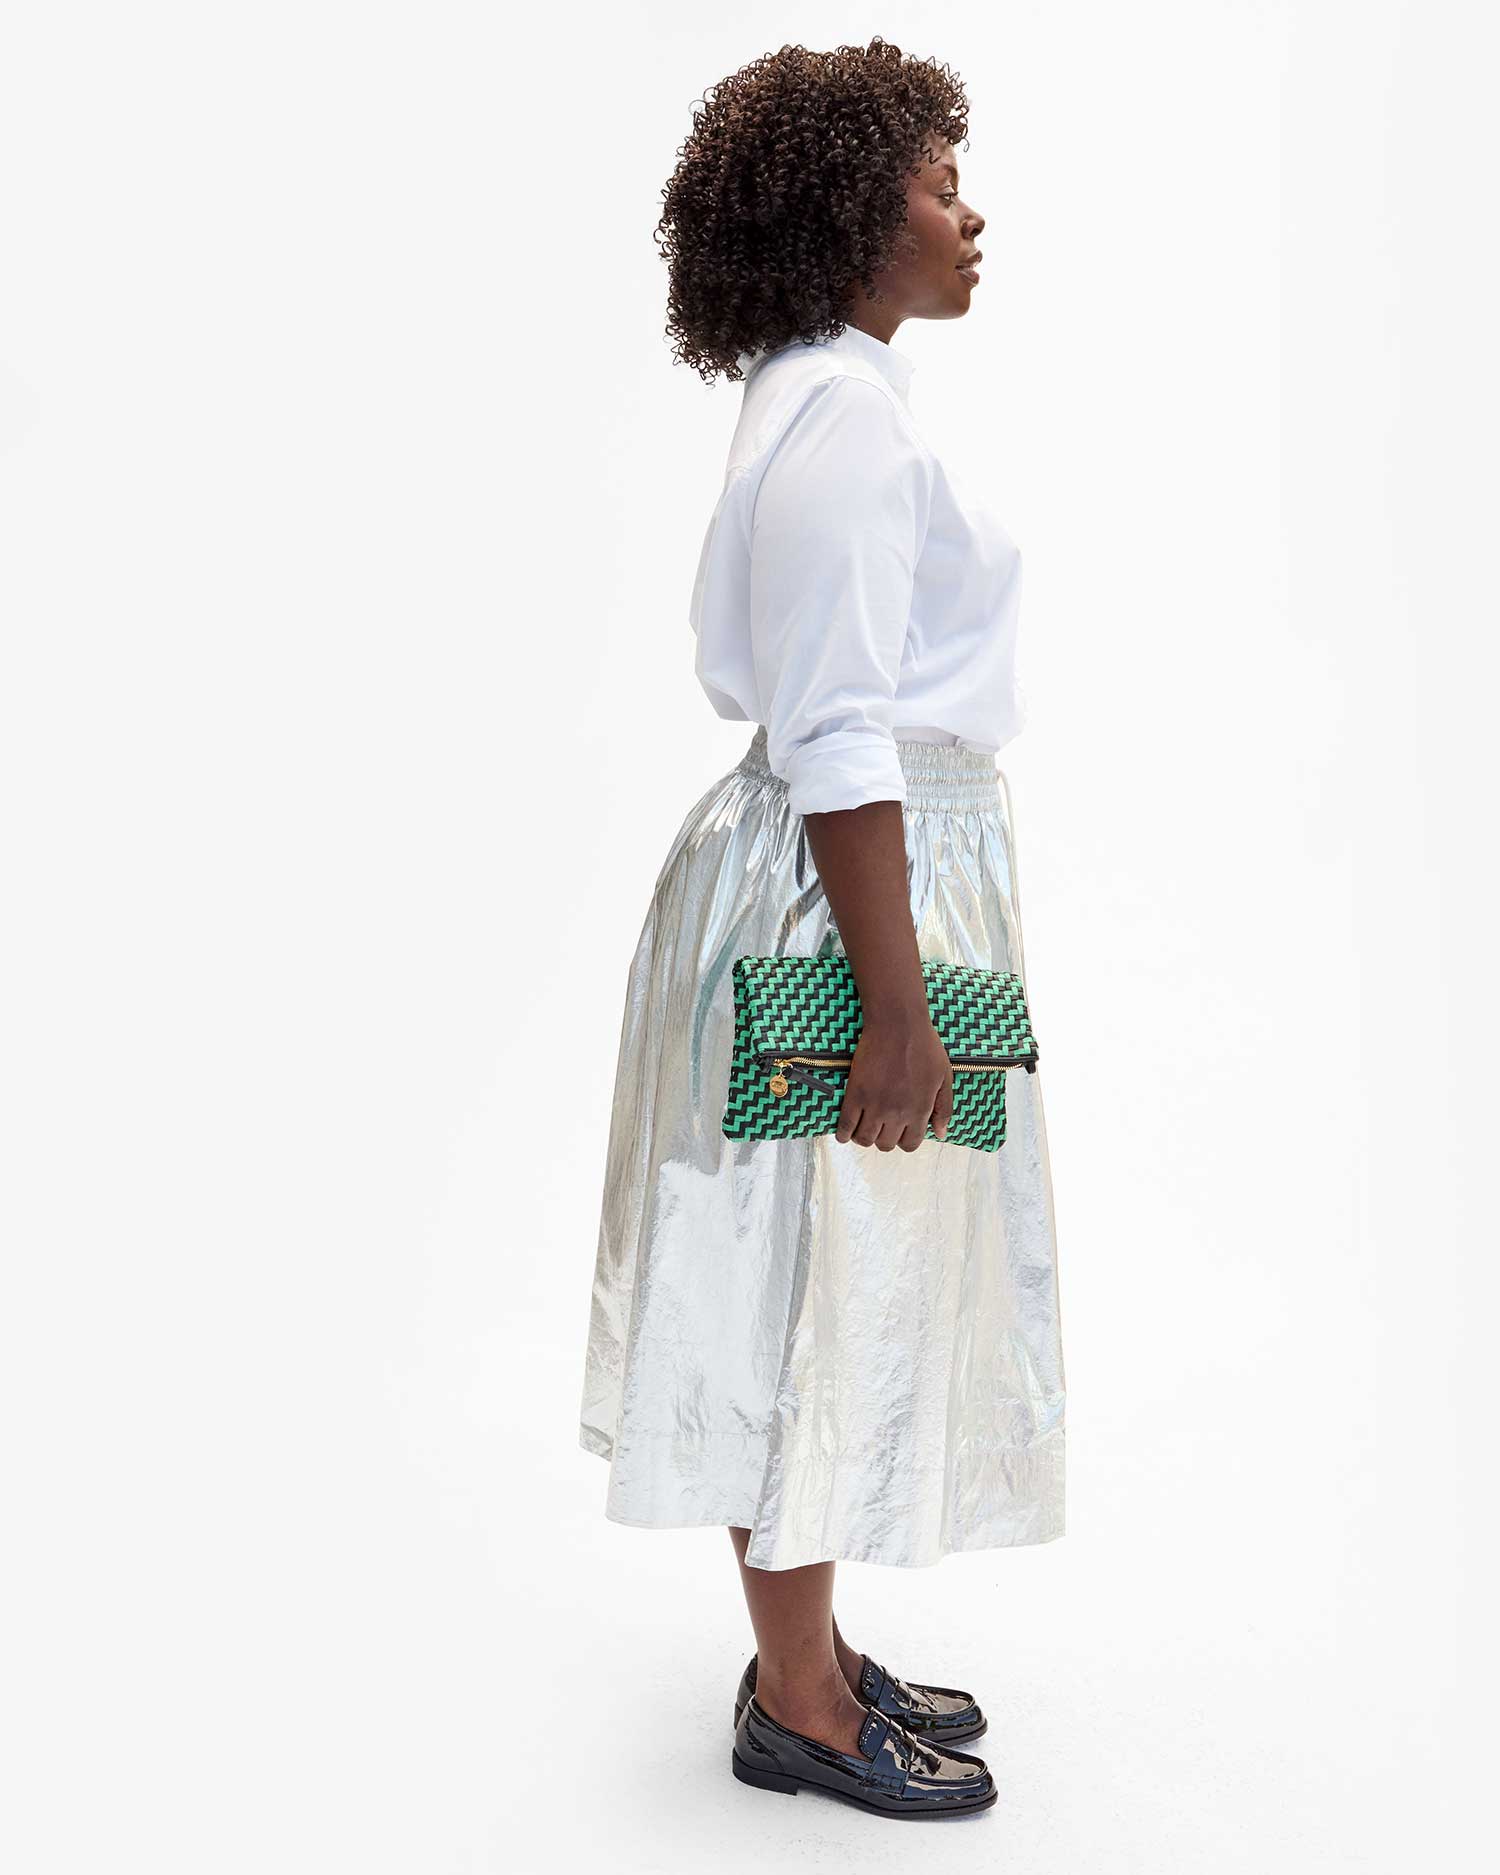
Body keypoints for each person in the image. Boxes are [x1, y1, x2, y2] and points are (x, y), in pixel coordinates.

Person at [578, 37, 1066, 1820]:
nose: (968, 207)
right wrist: (894, 1008)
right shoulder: (847, 413)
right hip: (840, 886)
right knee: (805, 1285)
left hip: (826, 870)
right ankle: (797, 1699)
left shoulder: (816, 388)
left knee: (821, 1269)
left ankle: (810, 1649)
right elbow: (842, 726)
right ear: (858, 211)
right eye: (941, 179)